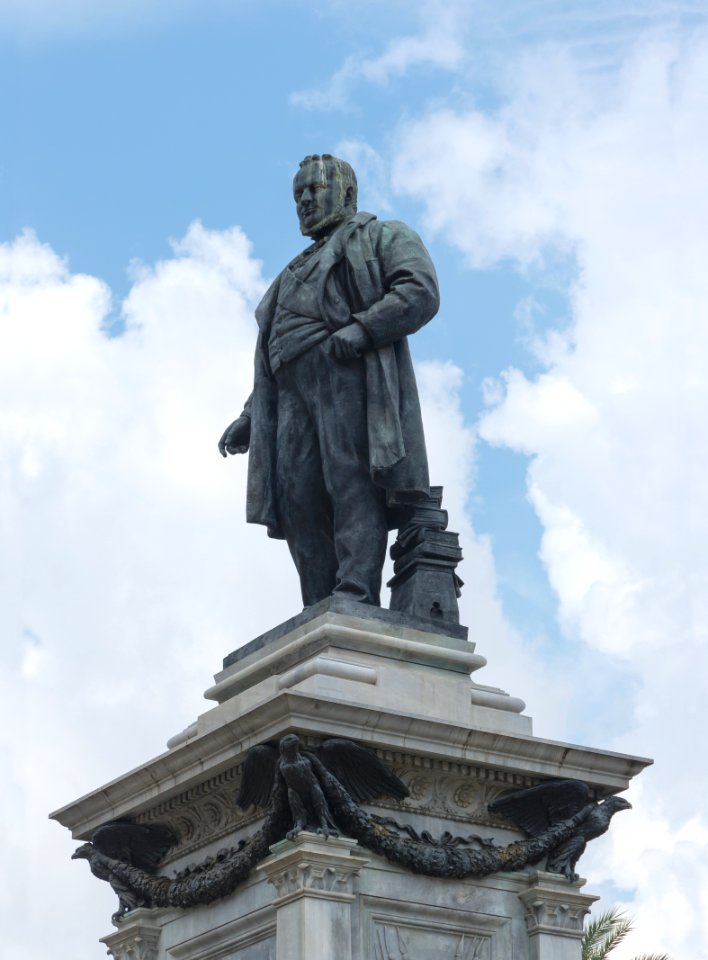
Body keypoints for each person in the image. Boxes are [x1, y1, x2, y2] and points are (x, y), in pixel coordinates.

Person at [219, 154, 439, 608]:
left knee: (350, 481)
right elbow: (274, 352)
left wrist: (363, 329)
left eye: (314, 190)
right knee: (296, 496)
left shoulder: (382, 236)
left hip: (345, 373)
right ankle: (320, 604)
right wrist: (248, 416)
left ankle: (355, 593)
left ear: (347, 193)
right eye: (298, 194)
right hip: (290, 392)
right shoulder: (290, 272)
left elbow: (419, 290)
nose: (304, 201)